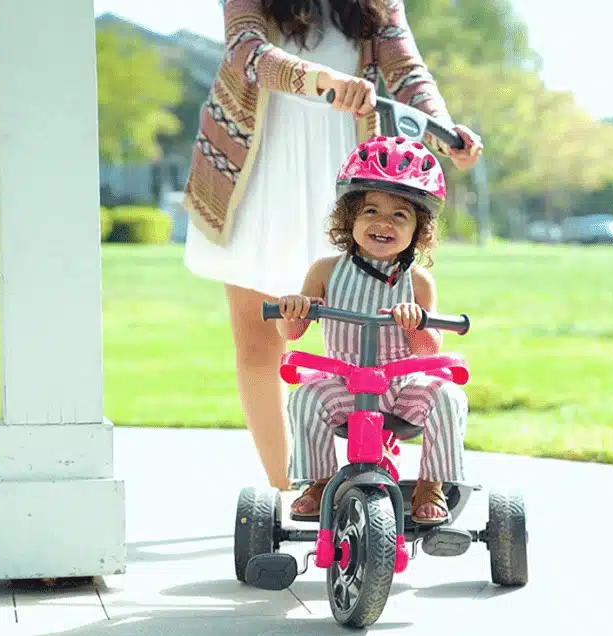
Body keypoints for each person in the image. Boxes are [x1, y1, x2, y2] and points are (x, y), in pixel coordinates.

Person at [180, 0, 483, 491]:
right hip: (253, 170)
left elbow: (405, 67)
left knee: (355, 330)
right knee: (261, 341)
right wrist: (321, 82)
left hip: (341, 171)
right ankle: (290, 489)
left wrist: (442, 130)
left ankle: (367, 474)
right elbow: (247, 51)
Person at [277, 135, 466, 524]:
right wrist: (295, 308)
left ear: (419, 229)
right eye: (370, 211)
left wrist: (416, 323)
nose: (383, 223)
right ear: (350, 218)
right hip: (344, 381)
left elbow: (429, 351)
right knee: (304, 399)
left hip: (401, 385)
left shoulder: (419, 281)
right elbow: (292, 331)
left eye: (400, 215)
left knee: (448, 397)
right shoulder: (326, 271)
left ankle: (432, 484)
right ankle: (320, 480)